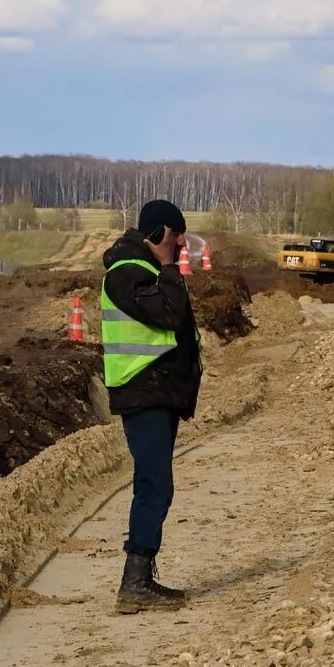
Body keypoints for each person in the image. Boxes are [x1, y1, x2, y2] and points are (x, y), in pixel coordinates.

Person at [99, 199, 202, 614]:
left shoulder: (145, 269)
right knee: (154, 484)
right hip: (142, 391)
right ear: (158, 234)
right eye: (176, 235)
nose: (182, 243)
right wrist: (169, 266)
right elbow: (170, 316)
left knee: (154, 483)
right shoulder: (128, 273)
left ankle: (139, 577)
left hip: (157, 392)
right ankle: (135, 581)